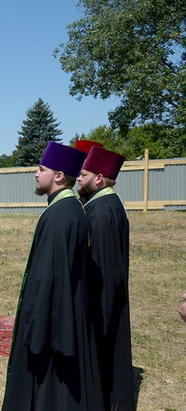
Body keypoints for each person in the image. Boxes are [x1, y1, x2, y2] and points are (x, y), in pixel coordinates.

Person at [2, 142, 105, 411]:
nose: (36, 174)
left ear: (59, 176)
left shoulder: (60, 216)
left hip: (53, 320)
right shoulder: (70, 209)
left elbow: (48, 278)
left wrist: (36, 331)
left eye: (41, 169)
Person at [77, 146, 134, 410]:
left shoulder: (100, 212)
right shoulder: (105, 204)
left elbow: (103, 270)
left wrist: (96, 317)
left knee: (105, 357)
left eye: (83, 173)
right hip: (107, 302)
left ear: (99, 178)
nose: (78, 177)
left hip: (103, 306)